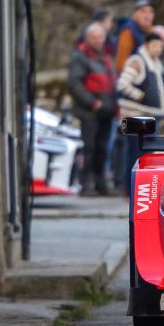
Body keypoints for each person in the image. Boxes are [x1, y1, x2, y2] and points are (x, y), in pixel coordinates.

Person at [67, 23, 117, 196]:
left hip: (107, 109)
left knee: (102, 148)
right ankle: (85, 183)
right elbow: (74, 84)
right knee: (89, 147)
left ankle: (100, 183)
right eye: (95, 38)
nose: (98, 41)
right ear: (87, 39)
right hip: (90, 111)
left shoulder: (107, 56)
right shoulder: (80, 57)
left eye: (101, 37)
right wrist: (92, 102)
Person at [117, 32, 164, 187]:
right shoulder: (137, 61)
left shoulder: (156, 63)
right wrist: (138, 95)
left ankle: (140, 186)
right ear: (146, 45)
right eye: (154, 45)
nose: (157, 49)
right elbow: (122, 84)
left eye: (160, 46)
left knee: (146, 153)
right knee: (136, 153)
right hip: (137, 115)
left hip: (151, 115)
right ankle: (130, 187)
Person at [115, 0, 155, 73]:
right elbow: (121, 64)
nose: (148, 16)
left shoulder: (150, 31)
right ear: (135, 14)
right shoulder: (128, 31)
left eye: (151, 12)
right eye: (143, 11)